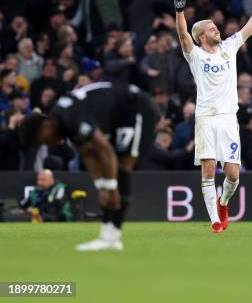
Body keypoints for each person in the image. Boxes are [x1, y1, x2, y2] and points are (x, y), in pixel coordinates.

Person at [173, 0, 252, 233]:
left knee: (233, 175)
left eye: (216, 26)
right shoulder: (196, 55)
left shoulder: (229, 47)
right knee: (209, 168)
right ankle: (215, 221)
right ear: (200, 36)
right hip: (206, 117)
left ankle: (223, 203)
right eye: (211, 28)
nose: (216, 29)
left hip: (227, 119)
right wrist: (179, 12)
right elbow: (182, 34)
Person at [18, 82, 160, 250]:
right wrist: (100, 186)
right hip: (118, 116)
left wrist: (110, 186)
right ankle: (108, 237)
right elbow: (87, 154)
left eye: (43, 141)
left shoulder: (68, 117)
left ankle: (111, 237)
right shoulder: (62, 122)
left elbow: (105, 150)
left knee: (123, 164)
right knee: (111, 179)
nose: (48, 145)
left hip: (136, 107)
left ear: (45, 128)